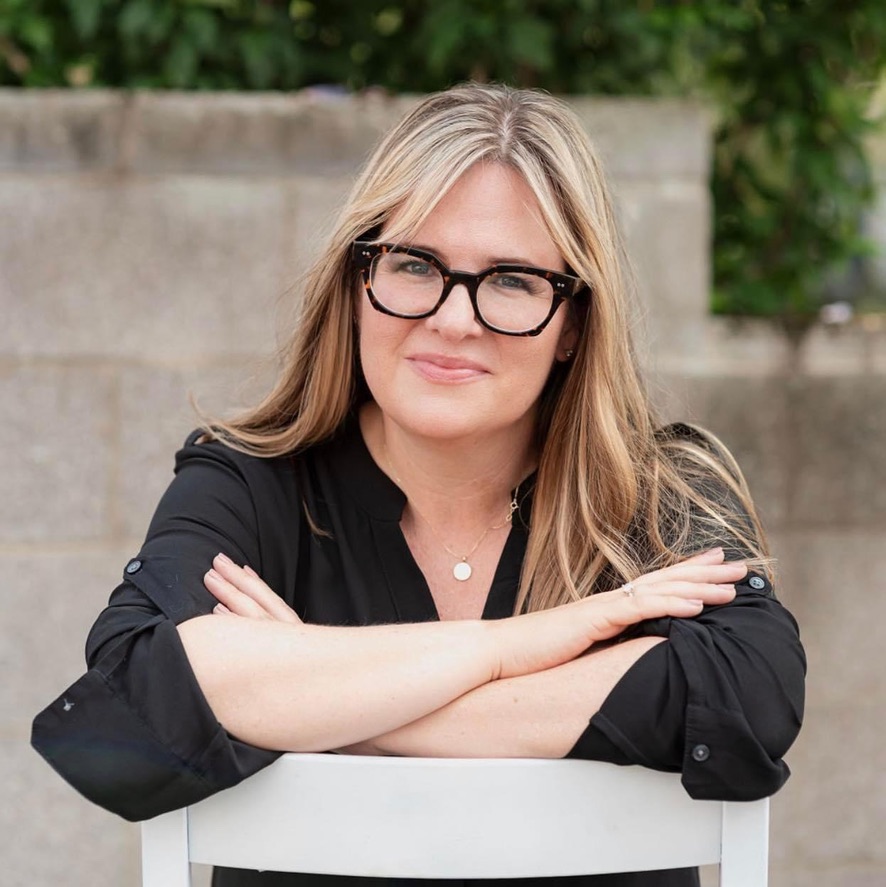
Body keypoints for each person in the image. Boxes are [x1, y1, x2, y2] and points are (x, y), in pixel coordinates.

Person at [32, 83, 805, 887]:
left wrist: (330, 705)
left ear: (573, 321)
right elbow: (130, 696)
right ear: (356, 280)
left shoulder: (661, 493)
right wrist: (518, 645)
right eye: (413, 264)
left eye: (511, 279)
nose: (453, 319)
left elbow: (748, 694)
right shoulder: (251, 484)